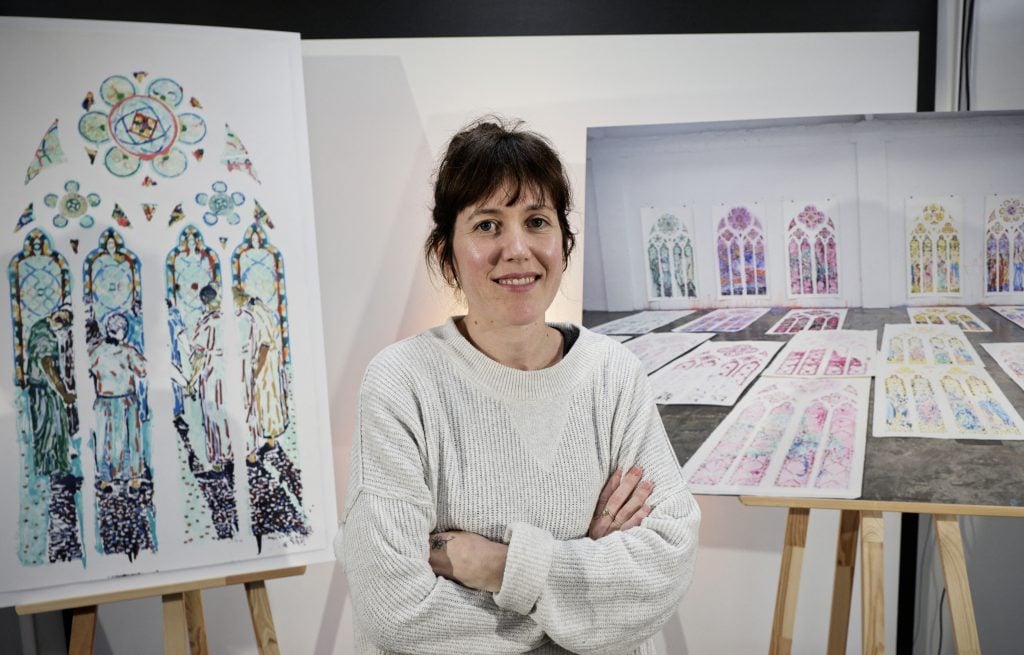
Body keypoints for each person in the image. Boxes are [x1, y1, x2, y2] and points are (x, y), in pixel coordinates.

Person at [338, 117, 700, 654]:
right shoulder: (403, 383)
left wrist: (499, 567)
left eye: (536, 221)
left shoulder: (612, 374)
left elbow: (665, 566)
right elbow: (394, 608)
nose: (517, 249)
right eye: (487, 225)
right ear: (447, 252)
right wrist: (583, 585)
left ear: (563, 243)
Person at [87, 312, 147, 487]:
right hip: (125, 399)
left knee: (105, 439)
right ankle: (133, 477)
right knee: (131, 438)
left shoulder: (96, 351)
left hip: (103, 400)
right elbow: (142, 370)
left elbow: (89, 371)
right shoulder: (128, 351)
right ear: (121, 331)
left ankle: (106, 478)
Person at [233, 285, 289, 459]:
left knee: (266, 402)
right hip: (267, 361)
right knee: (267, 403)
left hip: (265, 364)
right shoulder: (258, 308)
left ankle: (269, 443)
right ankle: (269, 442)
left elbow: (264, 344)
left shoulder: (255, 312)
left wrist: (256, 371)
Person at [25, 309, 77, 476]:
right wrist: (64, 393)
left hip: (43, 387)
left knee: (54, 426)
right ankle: (49, 468)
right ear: (58, 322)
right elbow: (48, 367)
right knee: (48, 428)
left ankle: (54, 465)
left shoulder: (40, 327)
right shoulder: (45, 335)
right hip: (42, 388)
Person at [187, 284, 233, 470]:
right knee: (228, 413)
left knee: (213, 415)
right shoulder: (229, 320)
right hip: (228, 371)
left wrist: (191, 381)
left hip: (211, 373)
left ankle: (218, 458)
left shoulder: (204, 324)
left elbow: (198, 356)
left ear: (204, 302)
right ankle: (232, 452)